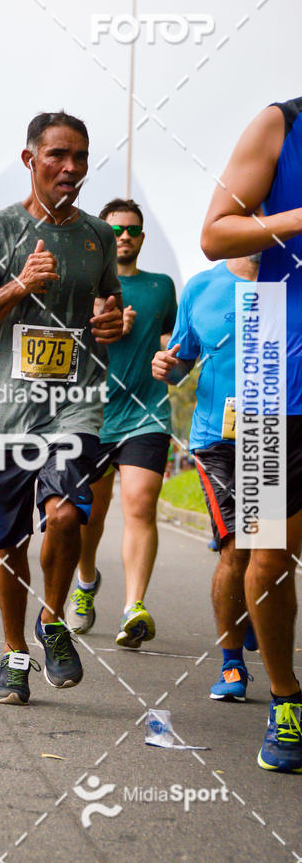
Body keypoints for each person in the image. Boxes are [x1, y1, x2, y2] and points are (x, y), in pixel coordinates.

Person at [0, 111, 123, 704]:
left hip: (74, 405)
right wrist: (20, 285)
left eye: (80, 157)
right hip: (4, 411)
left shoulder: (97, 237)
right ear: (30, 160)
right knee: (7, 545)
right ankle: (14, 654)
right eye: (58, 155)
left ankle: (51, 621)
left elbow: (111, 307)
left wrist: (110, 320)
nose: (71, 168)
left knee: (65, 516)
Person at [200, 96, 302, 772]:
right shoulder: (282, 123)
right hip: (277, 370)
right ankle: (287, 699)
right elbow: (216, 234)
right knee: (265, 557)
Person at [66, 198, 177, 648]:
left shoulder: (162, 287)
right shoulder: (81, 286)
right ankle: (87, 582)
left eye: (132, 230)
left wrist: (170, 356)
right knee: (88, 516)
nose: (124, 237)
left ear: (142, 237)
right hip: (92, 414)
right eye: (116, 230)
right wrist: (105, 325)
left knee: (140, 502)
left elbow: (171, 336)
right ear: (102, 237)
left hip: (146, 414)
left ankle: (134, 607)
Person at [151, 254, 260, 700]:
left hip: (272, 432)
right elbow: (181, 363)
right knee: (235, 547)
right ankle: (232, 665)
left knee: (267, 552)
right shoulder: (201, 287)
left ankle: (254, 604)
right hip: (217, 438)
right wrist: (165, 366)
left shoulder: (290, 278)